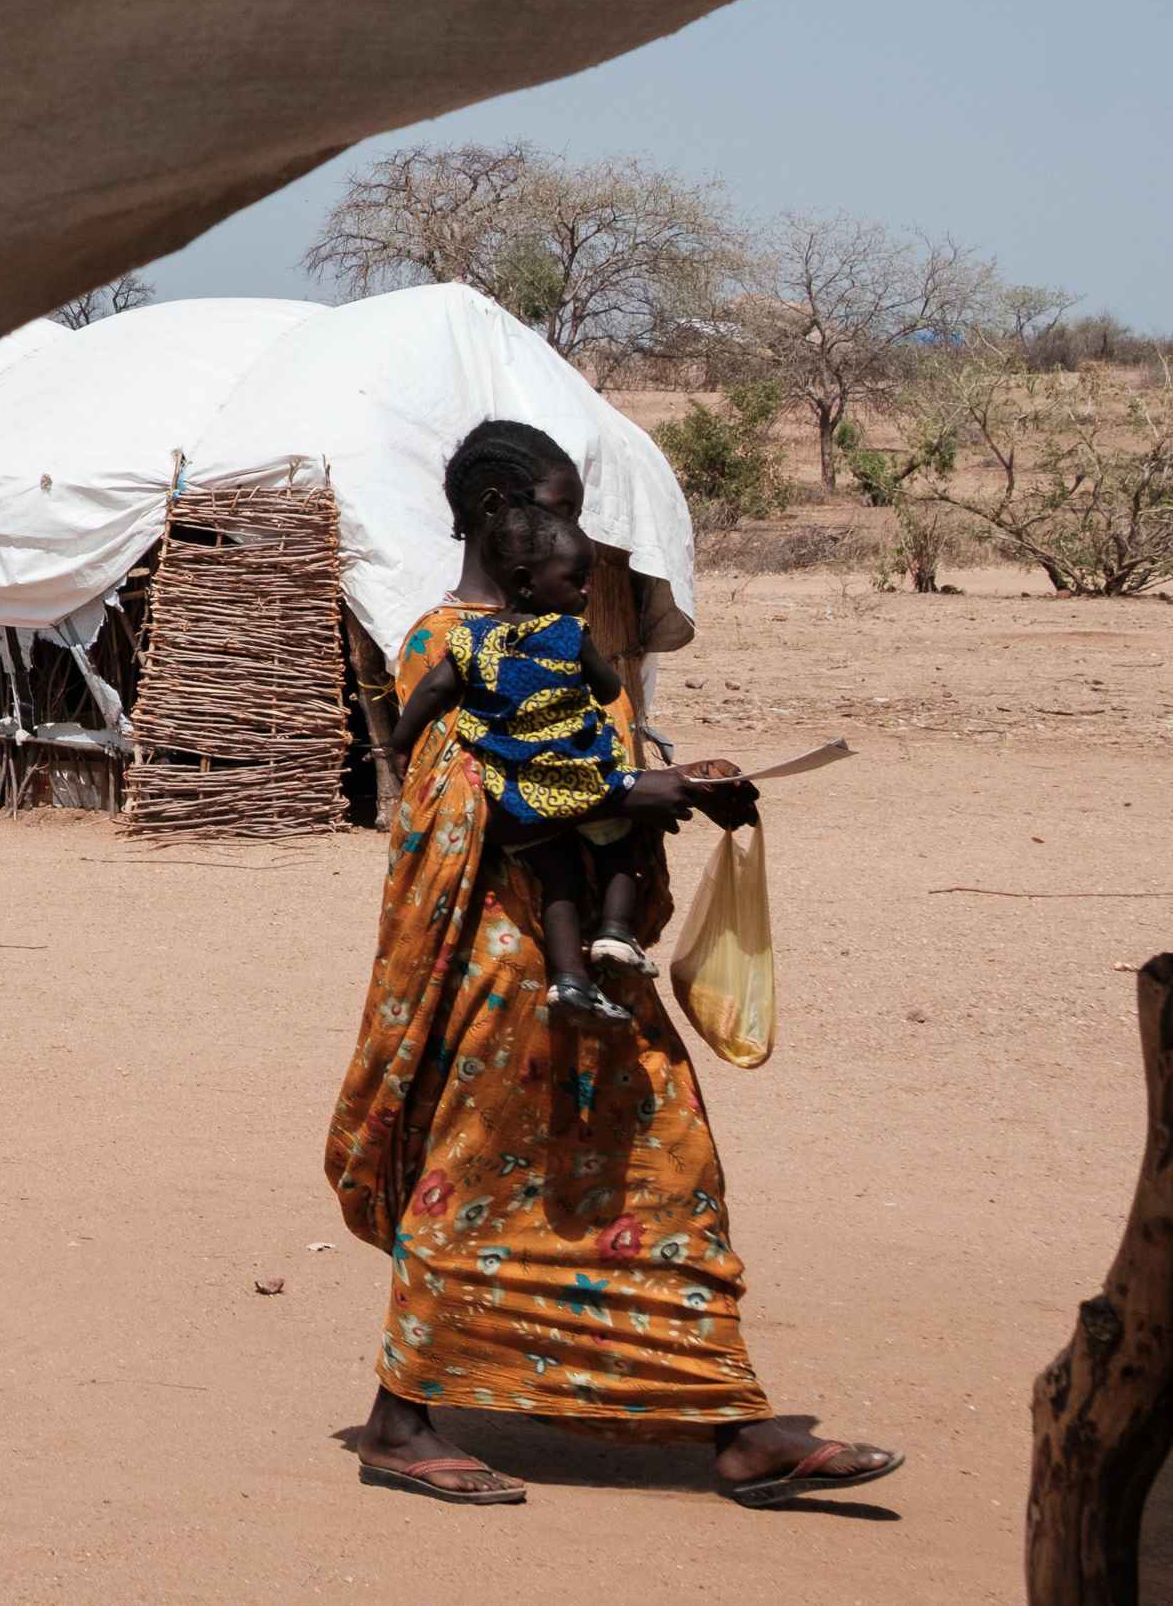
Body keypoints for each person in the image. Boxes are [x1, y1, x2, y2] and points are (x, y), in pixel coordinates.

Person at [329, 418, 901, 1509]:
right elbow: (468, 796)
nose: (577, 535)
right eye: (558, 507)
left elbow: (585, 764)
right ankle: (400, 1421)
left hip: (595, 959)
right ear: (500, 515)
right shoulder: (443, 641)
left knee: (668, 1163)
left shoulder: (550, 633)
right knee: (479, 1181)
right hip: (496, 969)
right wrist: (663, 795)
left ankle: (731, 1426)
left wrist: (667, 791)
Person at [392, 503, 656, 1029]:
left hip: (512, 789)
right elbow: (609, 690)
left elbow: (433, 691)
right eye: (577, 579)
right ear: (526, 581)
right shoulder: (567, 634)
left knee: (556, 874)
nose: (586, 591)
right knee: (618, 835)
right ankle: (614, 933)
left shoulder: (468, 639)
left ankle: (569, 981)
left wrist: (398, 743)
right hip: (579, 778)